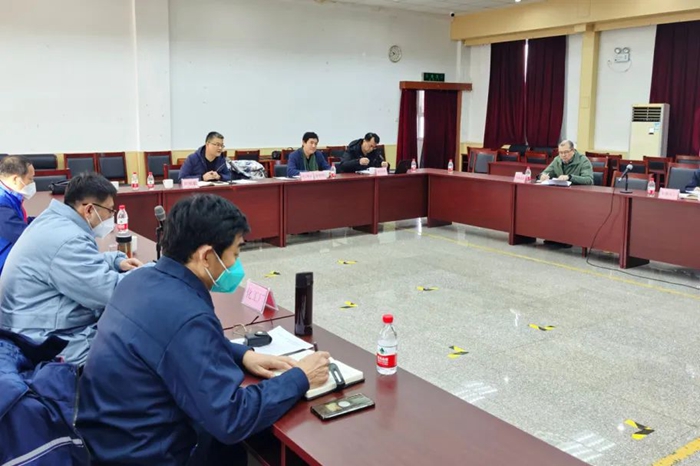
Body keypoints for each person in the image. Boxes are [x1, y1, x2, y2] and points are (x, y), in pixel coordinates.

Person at [77, 194, 331, 466]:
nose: (236, 264)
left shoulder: (138, 280)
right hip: (147, 454)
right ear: (207, 256)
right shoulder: (189, 316)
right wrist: (300, 377)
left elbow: (170, 342)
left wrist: (242, 355)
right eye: (235, 253)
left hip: (106, 439)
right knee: (233, 448)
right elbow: (231, 418)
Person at [0, 173, 143, 364]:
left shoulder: (55, 221)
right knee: (133, 355)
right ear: (89, 209)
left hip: (32, 320)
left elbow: (72, 264)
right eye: (110, 211)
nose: (111, 217)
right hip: (39, 339)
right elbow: (108, 291)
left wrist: (115, 261)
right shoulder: (68, 238)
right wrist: (149, 273)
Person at [0, 156, 35, 275]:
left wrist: (45, 220)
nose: (32, 183)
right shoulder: (1, 203)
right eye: (30, 179)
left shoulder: (10, 195)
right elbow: (24, 236)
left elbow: (18, 221)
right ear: (15, 179)